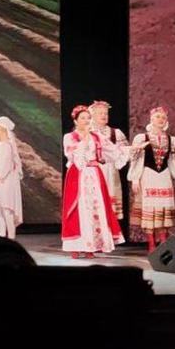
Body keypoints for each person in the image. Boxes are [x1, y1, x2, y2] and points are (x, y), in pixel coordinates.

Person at [61, 104, 125, 258]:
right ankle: (76, 246)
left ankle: (92, 246)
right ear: (76, 121)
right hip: (78, 175)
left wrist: (133, 149)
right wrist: (84, 138)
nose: (86, 121)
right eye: (83, 118)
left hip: (95, 174)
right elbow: (74, 156)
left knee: (96, 208)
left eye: (88, 118)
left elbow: (113, 150)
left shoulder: (97, 137)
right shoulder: (70, 137)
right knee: (80, 208)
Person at [128, 106, 175, 251]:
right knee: (150, 208)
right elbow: (136, 160)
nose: (160, 119)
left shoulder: (172, 140)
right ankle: (151, 244)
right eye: (157, 117)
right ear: (151, 119)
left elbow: (174, 162)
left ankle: (163, 242)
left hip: (164, 176)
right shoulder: (142, 138)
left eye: (163, 117)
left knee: (163, 208)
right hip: (148, 176)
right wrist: (135, 179)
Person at [88, 100, 130, 220]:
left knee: (110, 203)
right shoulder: (87, 133)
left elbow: (124, 152)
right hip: (92, 172)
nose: (104, 116)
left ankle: (111, 229)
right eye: (100, 113)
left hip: (110, 172)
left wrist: (131, 150)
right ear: (92, 116)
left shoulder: (115, 133)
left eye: (105, 113)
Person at [0, 116, 24, 240]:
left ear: (2, 128)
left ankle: (9, 237)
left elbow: (3, 168)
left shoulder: (5, 146)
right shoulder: (3, 145)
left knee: (6, 210)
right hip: (1, 182)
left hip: (5, 182)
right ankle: (3, 237)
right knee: (0, 210)